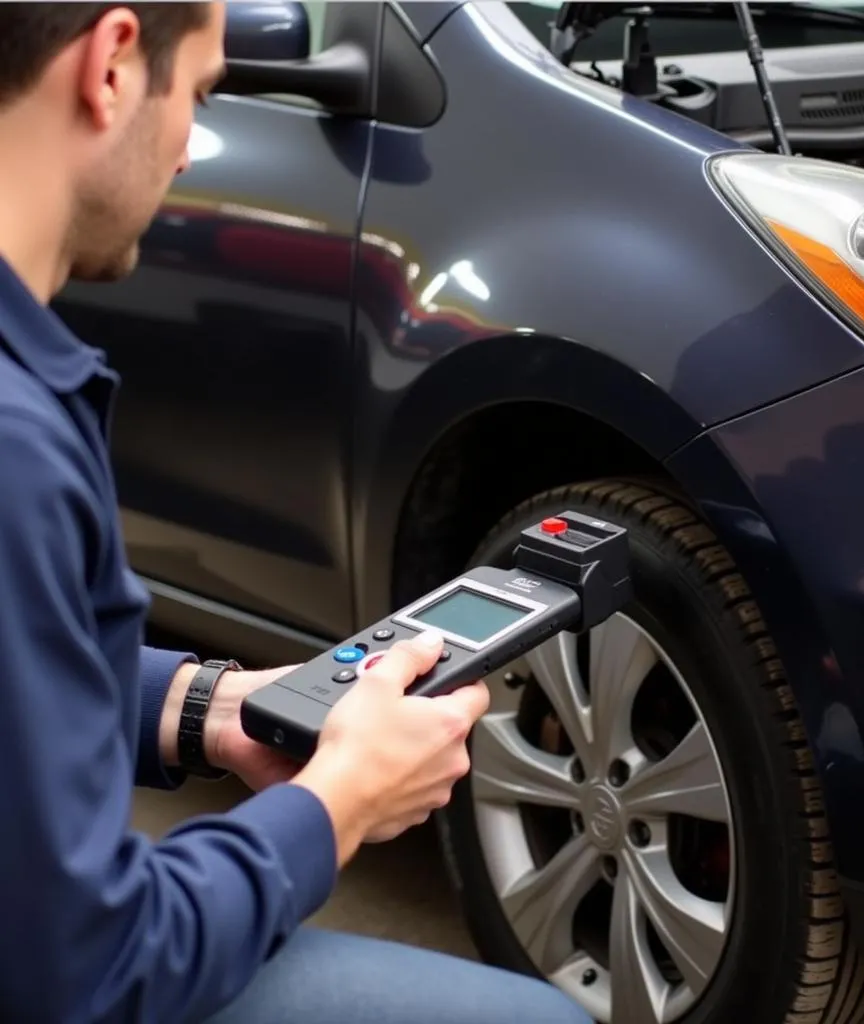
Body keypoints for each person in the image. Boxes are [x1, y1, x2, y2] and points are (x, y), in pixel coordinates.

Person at [0, 5, 593, 1023]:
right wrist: (336, 803)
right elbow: (88, 974)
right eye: (199, 93)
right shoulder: (16, 446)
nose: (189, 150)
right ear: (109, 66)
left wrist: (202, 708)